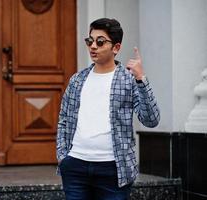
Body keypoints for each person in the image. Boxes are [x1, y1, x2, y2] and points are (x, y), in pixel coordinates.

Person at [56, 18, 160, 200]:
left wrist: (141, 78)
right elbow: (64, 119)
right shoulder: (77, 80)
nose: (93, 46)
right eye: (90, 41)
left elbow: (151, 120)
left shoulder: (128, 80)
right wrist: (63, 156)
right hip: (75, 167)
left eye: (100, 41)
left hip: (113, 169)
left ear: (116, 48)